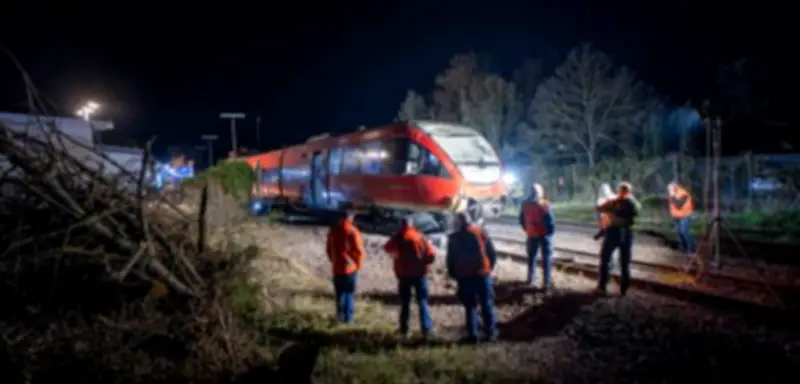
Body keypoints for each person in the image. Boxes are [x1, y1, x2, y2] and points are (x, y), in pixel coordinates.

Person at [446, 212, 499, 343]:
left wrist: (454, 274)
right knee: (486, 303)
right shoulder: (481, 232)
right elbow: (492, 253)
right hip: (482, 274)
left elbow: (450, 259)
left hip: (464, 276)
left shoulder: (453, 238)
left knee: (470, 306)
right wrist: (488, 268)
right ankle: (491, 333)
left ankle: (473, 335)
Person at [383, 217, 436, 339]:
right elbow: (431, 255)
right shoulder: (420, 237)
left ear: (401, 225)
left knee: (405, 303)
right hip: (420, 274)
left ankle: (404, 328)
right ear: (412, 225)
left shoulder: (398, 237)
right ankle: (426, 329)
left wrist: (396, 256)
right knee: (422, 301)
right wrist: (424, 263)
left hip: (404, 275)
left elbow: (387, 248)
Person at [595, 182, 639, 296]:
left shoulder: (616, 201)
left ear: (621, 191)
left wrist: (610, 201)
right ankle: (623, 290)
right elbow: (636, 211)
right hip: (628, 234)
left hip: (614, 233)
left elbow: (600, 208)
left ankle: (602, 286)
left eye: (620, 190)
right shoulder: (633, 203)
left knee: (605, 258)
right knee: (625, 262)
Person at [325, 210, 366, 323]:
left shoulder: (333, 230)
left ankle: (339, 317)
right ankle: (349, 319)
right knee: (349, 294)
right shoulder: (352, 231)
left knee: (339, 295)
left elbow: (328, 249)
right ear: (350, 218)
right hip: (349, 269)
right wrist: (358, 265)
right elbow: (359, 251)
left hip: (337, 268)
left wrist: (334, 261)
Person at [519, 183, 556, 292]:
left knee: (531, 258)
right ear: (540, 193)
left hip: (532, 235)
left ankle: (530, 279)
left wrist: (528, 230)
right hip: (544, 235)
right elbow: (551, 222)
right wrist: (550, 233)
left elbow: (521, 220)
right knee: (546, 259)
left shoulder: (524, 204)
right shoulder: (544, 204)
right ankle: (546, 284)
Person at [667, 182, 697, 257]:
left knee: (684, 232)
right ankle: (682, 249)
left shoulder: (683, 194)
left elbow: (679, 205)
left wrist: (673, 196)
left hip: (685, 216)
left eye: (670, 189)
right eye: (668, 189)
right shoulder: (672, 194)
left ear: (675, 187)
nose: (669, 191)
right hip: (676, 216)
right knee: (679, 233)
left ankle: (692, 250)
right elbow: (672, 205)